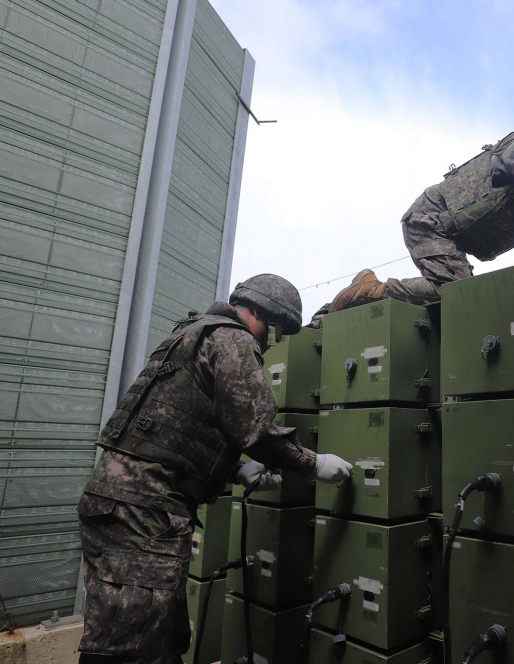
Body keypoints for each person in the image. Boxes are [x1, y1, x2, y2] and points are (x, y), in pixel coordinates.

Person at [76, 274, 353, 664]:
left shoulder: (191, 334)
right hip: (145, 509)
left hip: (123, 502)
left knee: (159, 636)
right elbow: (256, 430)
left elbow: (172, 428)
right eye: (278, 327)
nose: (275, 339)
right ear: (258, 312)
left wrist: (235, 470)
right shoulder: (232, 338)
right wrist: (314, 464)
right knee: (129, 649)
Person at [331, 115, 514, 311]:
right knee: (456, 292)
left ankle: (386, 303)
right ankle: (370, 290)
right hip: (431, 220)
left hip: (456, 242)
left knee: (459, 299)